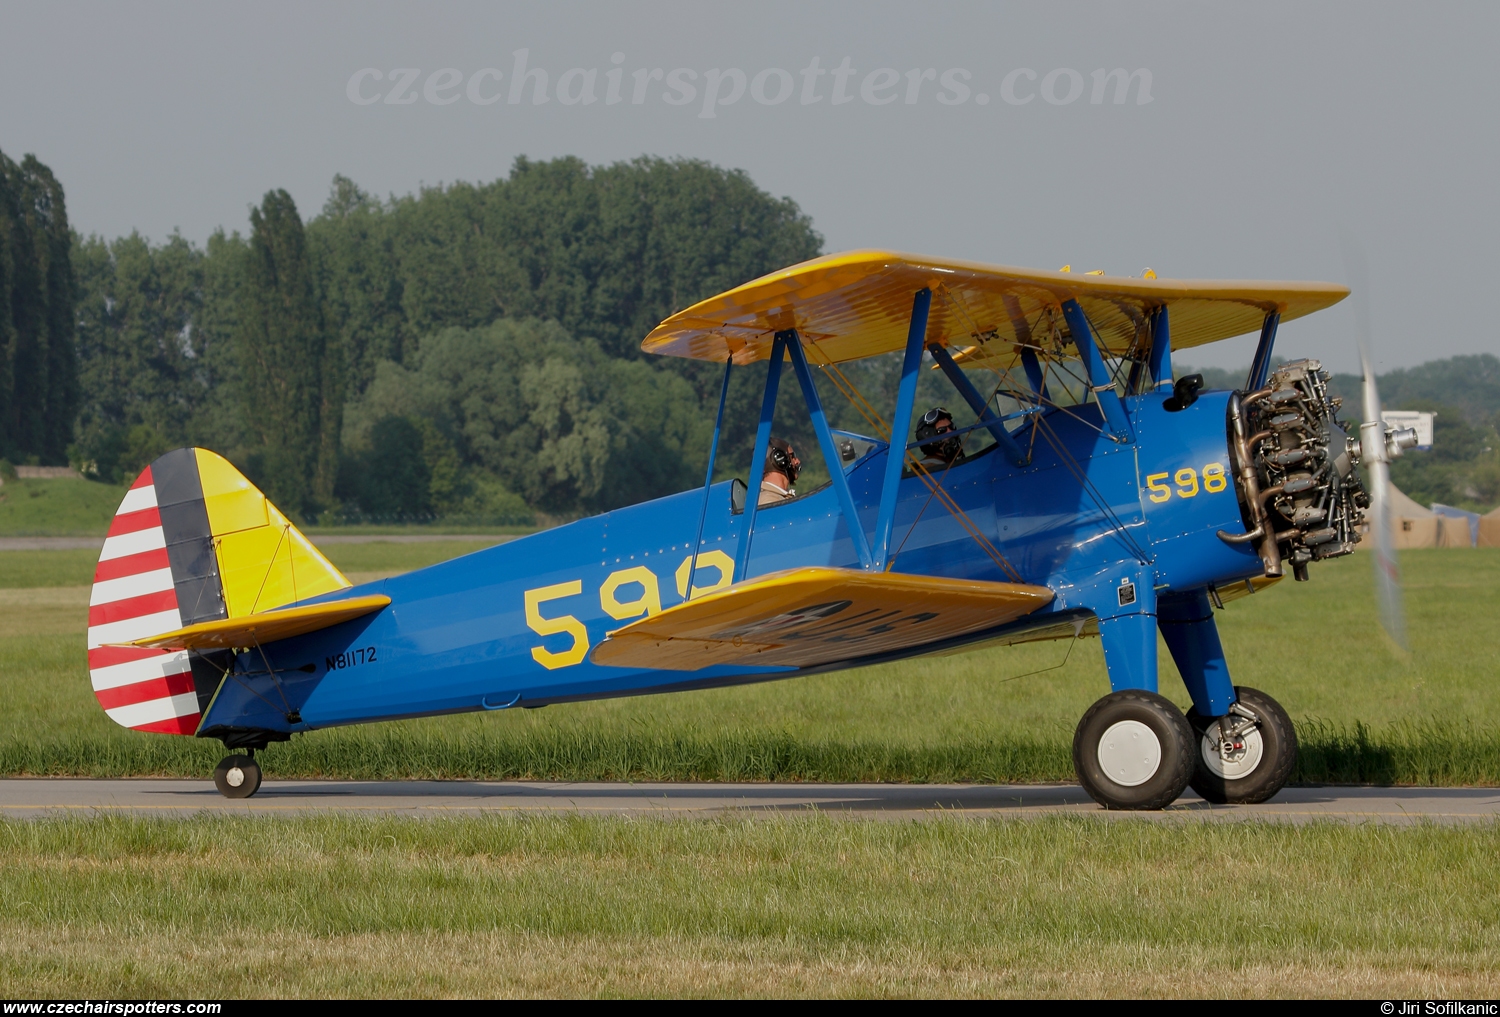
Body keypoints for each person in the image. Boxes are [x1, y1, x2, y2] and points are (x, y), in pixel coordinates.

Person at [914, 406, 962, 471]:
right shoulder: (930, 470)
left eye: (951, 426)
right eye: (942, 430)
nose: (950, 431)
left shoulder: (950, 464)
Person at [758, 437, 801, 506]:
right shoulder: (769, 502)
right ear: (780, 460)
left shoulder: (779, 498)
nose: (797, 461)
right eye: (792, 456)